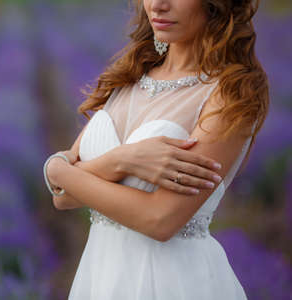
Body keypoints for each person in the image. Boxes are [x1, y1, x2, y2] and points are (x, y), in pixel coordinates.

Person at [43, 0, 269, 298]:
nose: (158, 5)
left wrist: (58, 169)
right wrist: (120, 160)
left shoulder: (230, 93)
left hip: (173, 283)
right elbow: (64, 198)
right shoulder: (129, 78)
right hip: (99, 280)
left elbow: (161, 219)